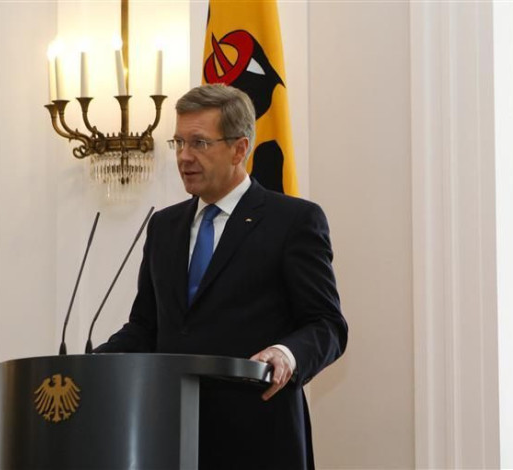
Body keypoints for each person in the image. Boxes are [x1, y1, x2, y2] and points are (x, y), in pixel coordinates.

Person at [96, 83, 348, 469]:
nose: (184, 157)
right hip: (168, 435)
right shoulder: (164, 226)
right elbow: (147, 326)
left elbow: (326, 324)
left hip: (258, 437)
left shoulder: (293, 221)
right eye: (178, 143)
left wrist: (285, 354)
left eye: (199, 143)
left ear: (240, 149)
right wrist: (89, 365)